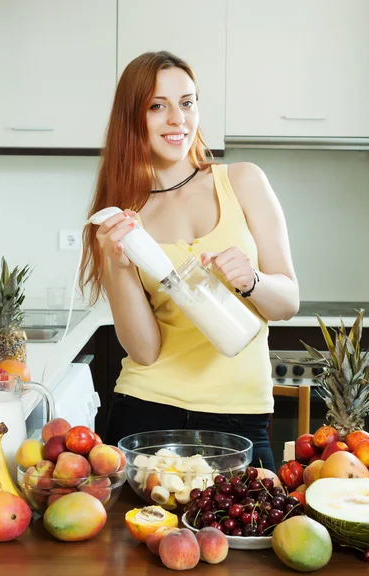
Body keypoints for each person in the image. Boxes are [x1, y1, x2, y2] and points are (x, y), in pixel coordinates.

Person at [80, 51, 299, 472]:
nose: (177, 118)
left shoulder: (242, 181)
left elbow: (288, 302)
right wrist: (119, 267)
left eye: (187, 102)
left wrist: (252, 281)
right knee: (138, 535)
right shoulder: (122, 221)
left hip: (239, 415)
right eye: (157, 106)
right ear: (133, 117)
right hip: (146, 411)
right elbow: (144, 351)